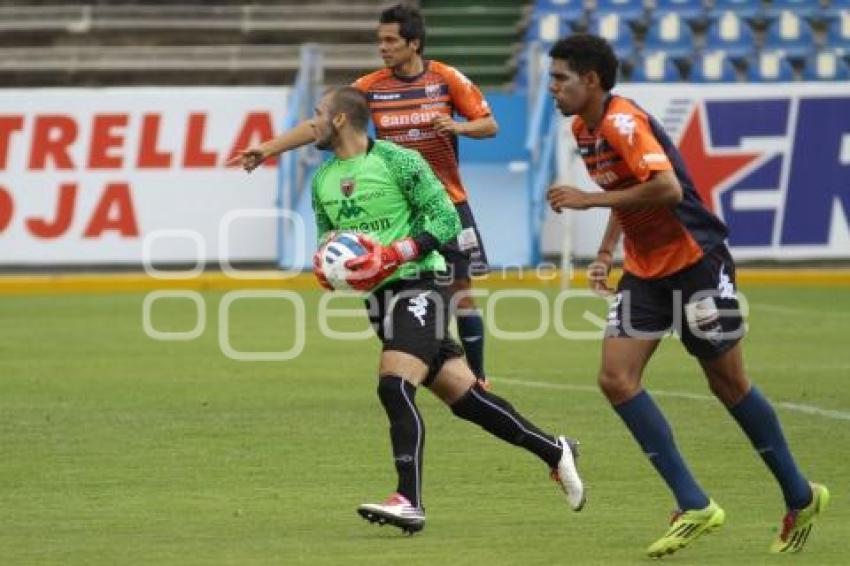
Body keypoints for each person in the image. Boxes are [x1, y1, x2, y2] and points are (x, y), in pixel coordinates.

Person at [545, 34, 828, 557]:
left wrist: (587, 200)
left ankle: (800, 493)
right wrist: (608, 251)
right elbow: (626, 193)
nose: (552, 87)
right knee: (616, 377)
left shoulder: (622, 122)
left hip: (697, 261)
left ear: (591, 80)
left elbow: (667, 189)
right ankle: (694, 504)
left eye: (560, 77)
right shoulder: (584, 129)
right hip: (648, 271)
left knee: (728, 383)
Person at [309, 86, 585, 534]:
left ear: (341, 119)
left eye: (318, 113)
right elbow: (328, 236)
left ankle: (408, 501)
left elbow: (446, 219)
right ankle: (555, 450)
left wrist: (396, 252)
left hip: (421, 284)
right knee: (468, 400)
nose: (313, 122)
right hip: (380, 300)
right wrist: (326, 266)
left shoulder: (399, 162)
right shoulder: (321, 179)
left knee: (394, 386)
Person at [231, 3, 495, 388]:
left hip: (446, 203)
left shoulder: (445, 79)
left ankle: (478, 378)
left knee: (461, 294)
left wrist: (457, 126)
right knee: (395, 287)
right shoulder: (370, 87)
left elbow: (490, 125)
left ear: (414, 43)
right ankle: (420, 366)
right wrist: (269, 148)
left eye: (390, 40)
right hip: (397, 208)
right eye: (380, 40)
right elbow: (321, 122)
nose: (383, 48)